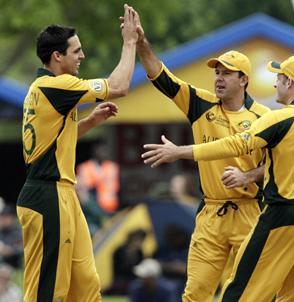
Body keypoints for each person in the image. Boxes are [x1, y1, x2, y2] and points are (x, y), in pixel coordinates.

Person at [142, 55, 294, 301]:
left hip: (277, 211)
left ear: (289, 83)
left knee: (244, 291)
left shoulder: (276, 117)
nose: (275, 84)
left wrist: (180, 152)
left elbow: (236, 145)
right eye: (217, 72)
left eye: (279, 79)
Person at [125, 8, 270, 301]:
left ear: (243, 80)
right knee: (195, 294)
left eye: (226, 73)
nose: (218, 78)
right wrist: (141, 43)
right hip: (211, 214)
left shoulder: (264, 116)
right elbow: (159, 76)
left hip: (250, 212)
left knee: (250, 293)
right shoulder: (200, 104)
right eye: (216, 72)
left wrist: (248, 175)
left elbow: (276, 166)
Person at [16, 4, 139, 301]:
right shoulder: (56, 85)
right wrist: (130, 41)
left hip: (62, 193)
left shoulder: (43, 89)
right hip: (47, 195)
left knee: (85, 283)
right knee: (48, 290)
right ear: (57, 56)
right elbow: (120, 86)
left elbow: (55, 141)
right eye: (76, 51)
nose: (82, 56)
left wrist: (90, 122)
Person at [77, 142, 120, 214]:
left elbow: (117, 188)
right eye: (101, 149)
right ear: (94, 151)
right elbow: (85, 191)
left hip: (112, 208)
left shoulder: (112, 167)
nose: (104, 152)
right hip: (94, 209)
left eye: (105, 150)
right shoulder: (85, 167)